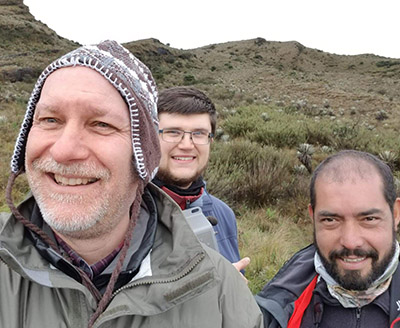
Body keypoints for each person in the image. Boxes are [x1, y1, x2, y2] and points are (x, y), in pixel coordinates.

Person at [0, 40, 263, 328]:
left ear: (143, 155)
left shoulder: (224, 297)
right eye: (50, 119)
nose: (64, 150)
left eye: (101, 124)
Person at [256, 150, 400, 328]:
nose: (350, 241)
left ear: (395, 214)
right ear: (313, 217)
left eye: (369, 219)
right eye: (331, 220)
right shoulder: (275, 308)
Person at [153, 87, 242, 265]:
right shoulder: (122, 216)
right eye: (173, 132)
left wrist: (235, 289)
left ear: (210, 141)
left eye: (199, 134)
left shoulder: (223, 214)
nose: (186, 145)